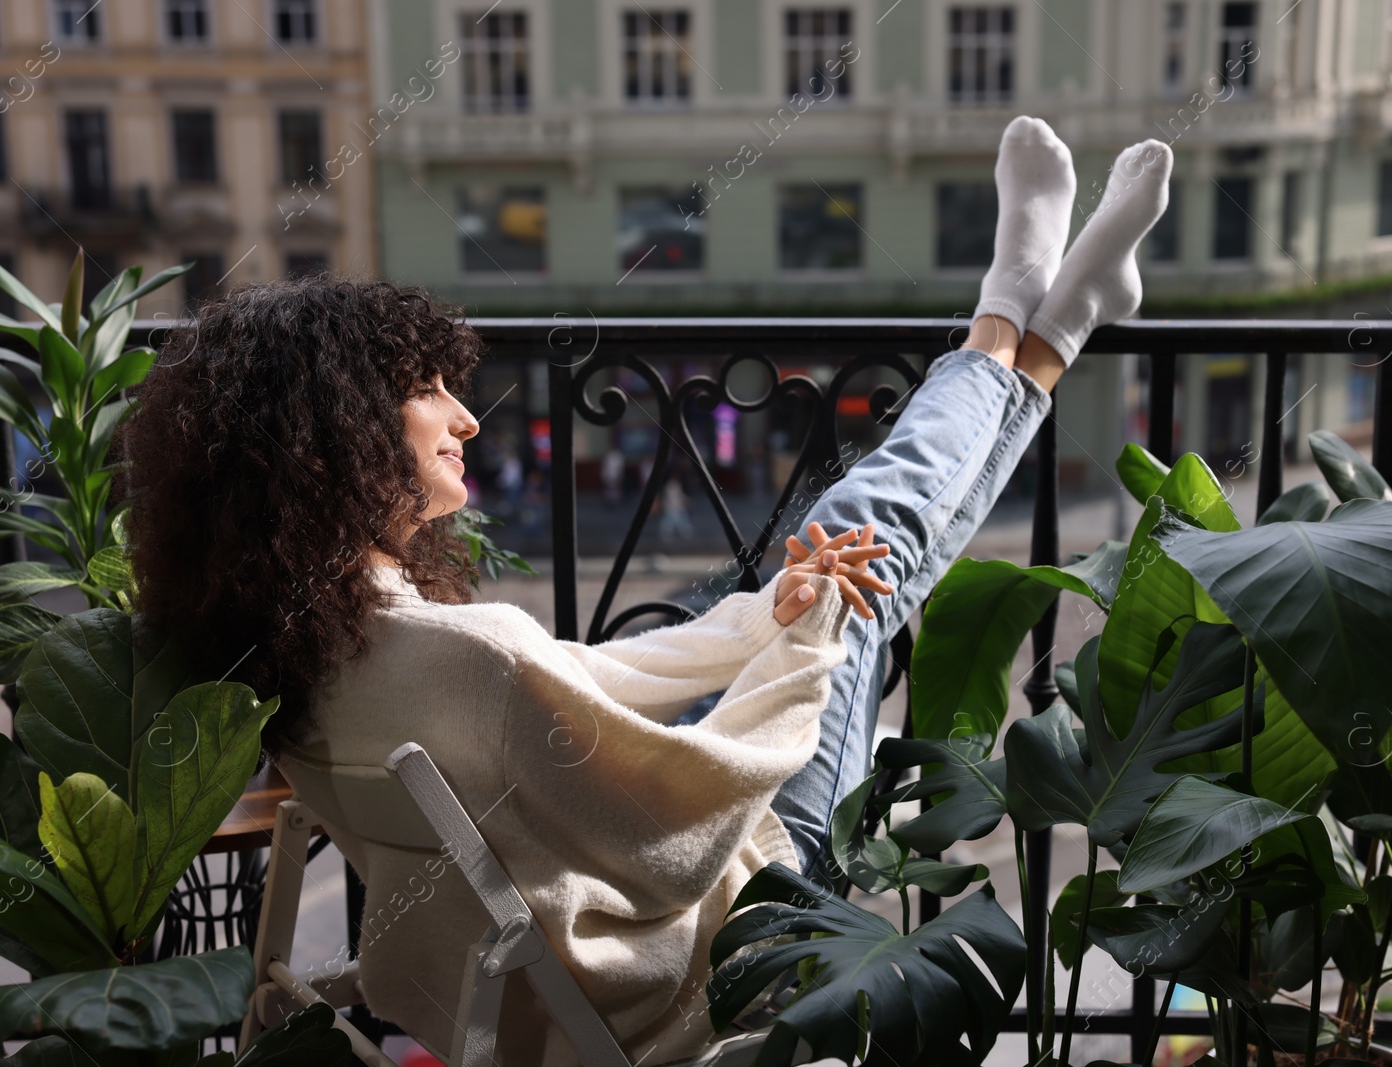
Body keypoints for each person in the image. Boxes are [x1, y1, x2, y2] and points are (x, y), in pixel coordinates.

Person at [115, 117, 1171, 1067]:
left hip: (548, 987)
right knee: (858, 560)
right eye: (427, 391)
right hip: (705, 961)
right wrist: (799, 645)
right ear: (332, 439)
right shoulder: (468, 652)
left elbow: (588, 676)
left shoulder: (305, 640)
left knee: (825, 569)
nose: (464, 416)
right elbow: (677, 848)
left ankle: (1036, 335)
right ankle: (1014, 324)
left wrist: (770, 614)